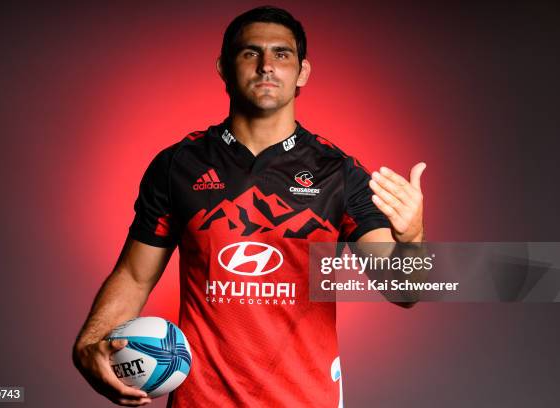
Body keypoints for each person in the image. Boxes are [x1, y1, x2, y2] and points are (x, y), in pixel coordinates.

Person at [72, 6, 426, 407]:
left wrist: (412, 239)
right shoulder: (178, 165)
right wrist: (88, 342)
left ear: (302, 72)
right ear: (223, 67)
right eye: (249, 53)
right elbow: (135, 277)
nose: (265, 67)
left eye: (281, 54)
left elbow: (406, 292)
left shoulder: (338, 173)